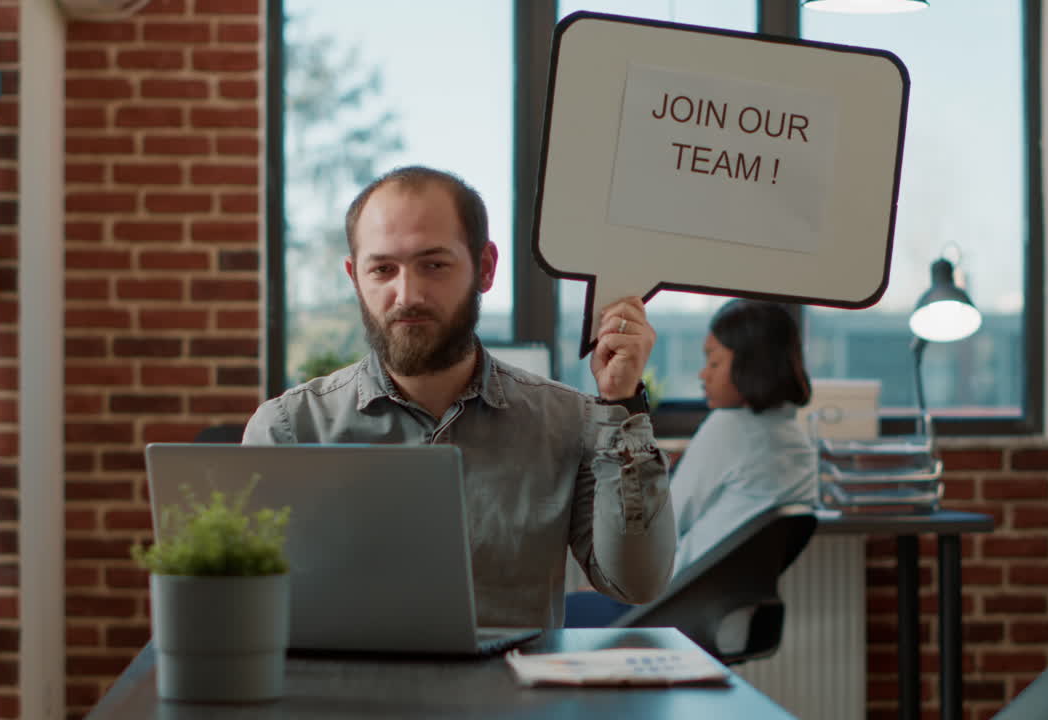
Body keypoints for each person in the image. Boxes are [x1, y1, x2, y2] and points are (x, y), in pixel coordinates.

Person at [242, 165, 675, 630]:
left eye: (434, 265)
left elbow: (636, 583)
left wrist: (622, 404)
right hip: (350, 699)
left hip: (512, 698)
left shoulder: (570, 421)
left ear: (484, 268)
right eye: (383, 269)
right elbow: (249, 612)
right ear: (354, 277)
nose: (407, 295)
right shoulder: (290, 428)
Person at [564, 299, 817, 628]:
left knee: (554, 615)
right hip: (722, 607)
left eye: (714, 361)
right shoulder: (793, 435)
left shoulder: (730, 427)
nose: (703, 374)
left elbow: (661, 522)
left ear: (750, 365)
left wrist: (608, 587)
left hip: (667, 601)